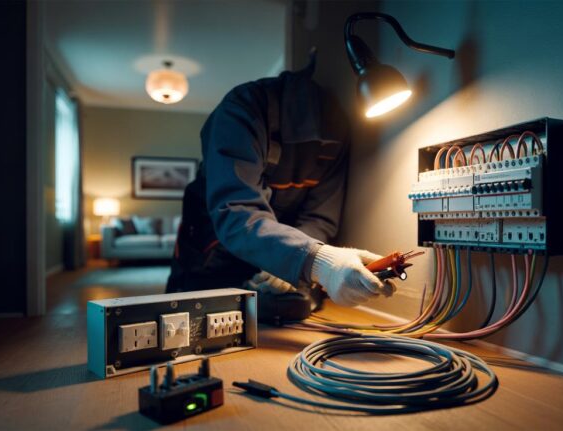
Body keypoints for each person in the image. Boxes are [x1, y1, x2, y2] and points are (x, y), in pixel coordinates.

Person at [166, 58, 395, 313]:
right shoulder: (240, 111)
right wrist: (314, 260)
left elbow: (320, 217)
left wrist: (291, 262)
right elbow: (237, 214)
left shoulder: (336, 128)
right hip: (212, 244)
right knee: (192, 316)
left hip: (279, 243)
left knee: (276, 316)